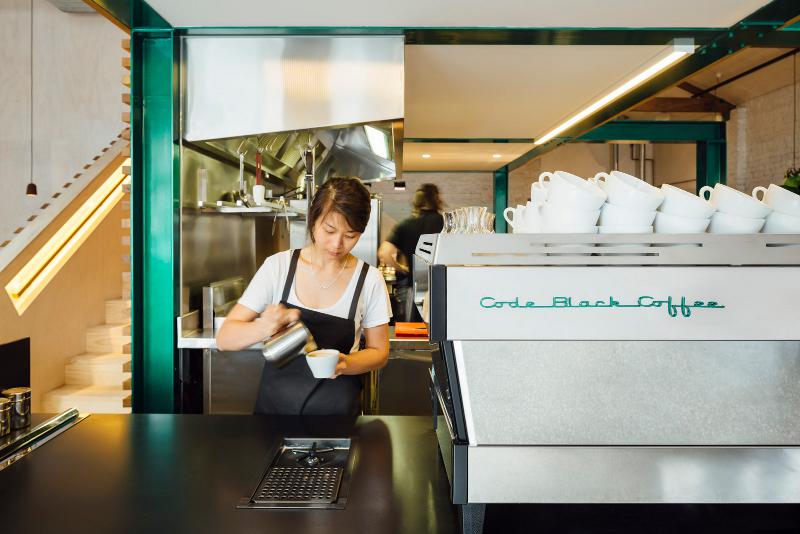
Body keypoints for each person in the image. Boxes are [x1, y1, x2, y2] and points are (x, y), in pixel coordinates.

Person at [216, 177, 391, 415]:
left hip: (337, 415)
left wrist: (345, 364)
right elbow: (225, 338)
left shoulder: (370, 279)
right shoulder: (278, 266)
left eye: (350, 235)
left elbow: (379, 352)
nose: (337, 244)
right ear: (313, 219)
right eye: (329, 230)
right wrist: (264, 327)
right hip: (274, 414)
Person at [378, 183, 444, 322]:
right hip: (443, 288)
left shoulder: (406, 225)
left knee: (413, 329)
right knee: (441, 327)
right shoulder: (445, 224)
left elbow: (384, 253)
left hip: (414, 289)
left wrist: (402, 269)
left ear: (417, 202)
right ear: (436, 199)